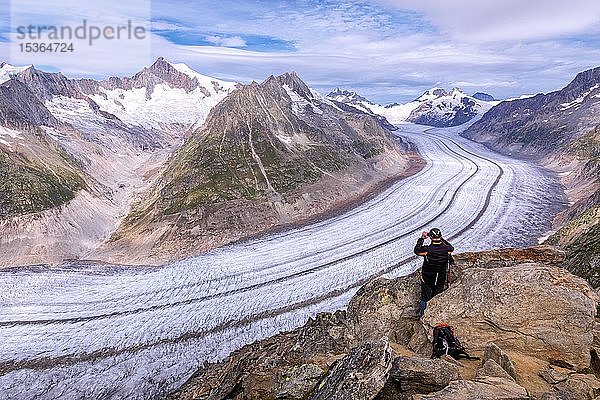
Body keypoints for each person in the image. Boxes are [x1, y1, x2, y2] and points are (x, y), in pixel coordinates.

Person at [414, 228, 454, 318]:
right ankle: (436, 315)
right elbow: (451, 247)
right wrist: (441, 239)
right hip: (440, 276)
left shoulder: (428, 250)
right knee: (437, 295)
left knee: (425, 297)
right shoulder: (447, 249)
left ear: (431, 237)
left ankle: (423, 316)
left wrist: (422, 239)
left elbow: (416, 250)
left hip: (427, 277)